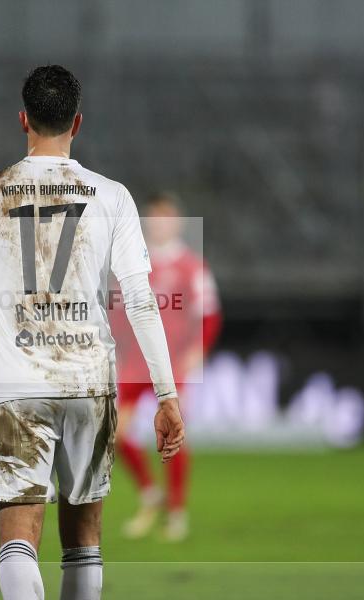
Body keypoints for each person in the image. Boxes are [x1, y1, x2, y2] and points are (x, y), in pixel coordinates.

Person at [0, 65, 184, 600]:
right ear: (77, 122)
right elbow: (141, 301)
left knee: (18, 534)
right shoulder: (112, 196)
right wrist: (166, 394)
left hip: (17, 382)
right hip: (88, 382)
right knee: (83, 539)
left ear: (23, 120)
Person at [112, 192, 222, 541]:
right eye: (154, 217)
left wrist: (198, 350)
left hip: (171, 363)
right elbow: (117, 313)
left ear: (177, 223)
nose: (159, 224)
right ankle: (150, 494)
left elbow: (209, 314)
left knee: (174, 433)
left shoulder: (191, 266)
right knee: (115, 434)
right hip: (134, 362)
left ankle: (176, 512)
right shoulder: (131, 263)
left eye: (165, 217)